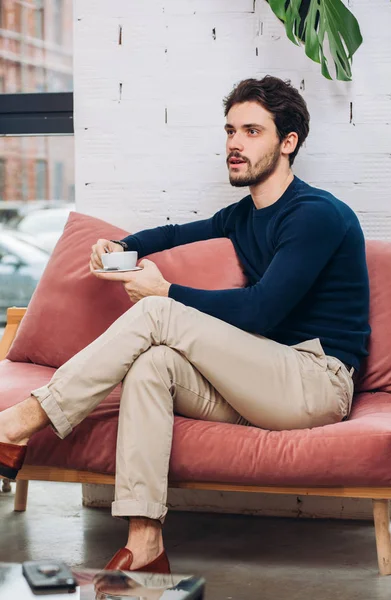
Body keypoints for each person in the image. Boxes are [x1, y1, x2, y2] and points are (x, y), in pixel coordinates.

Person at [0, 75, 370, 574]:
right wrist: (121, 248)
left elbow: (262, 311)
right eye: (230, 130)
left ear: (289, 143)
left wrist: (165, 293)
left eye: (252, 132)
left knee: (156, 311)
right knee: (153, 366)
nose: (235, 143)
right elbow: (176, 232)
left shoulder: (316, 215)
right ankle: (146, 541)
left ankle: (19, 423)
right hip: (260, 384)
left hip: (316, 383)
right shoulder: (244, 215)